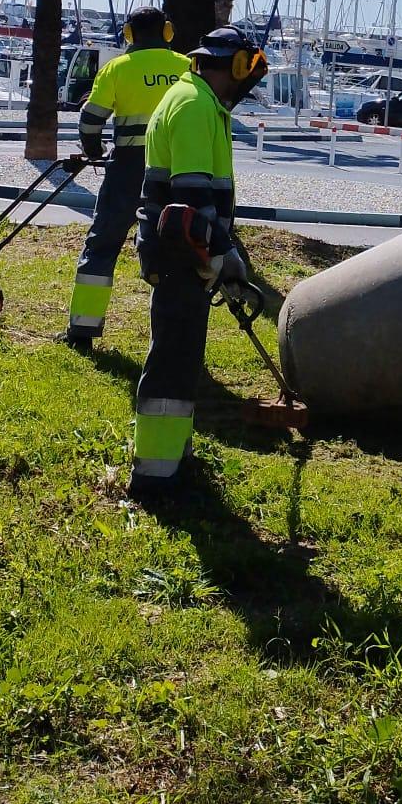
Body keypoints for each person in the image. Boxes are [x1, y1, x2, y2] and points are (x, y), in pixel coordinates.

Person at [129, 25, 268, 497]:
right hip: (180, 252)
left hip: (188, 251)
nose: (249, 79)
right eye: (246, 67)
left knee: (181, 353)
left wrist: (222, 254)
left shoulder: (202, 102)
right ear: (231, 64)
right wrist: (222, 257)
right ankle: (154, 475)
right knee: (172, 359)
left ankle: (172, 455)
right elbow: (191, 200)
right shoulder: (192, 107)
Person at [63, 7, 191, 349]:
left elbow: (90, 121)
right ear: (167, 32)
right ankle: (172, 339)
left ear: (129, 34)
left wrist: (93, 150)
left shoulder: (117, 68)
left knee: (103, 244)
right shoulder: (187, 68)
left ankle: (82, 332)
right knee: (178, 251)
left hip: (128, 168)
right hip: (177, 171)